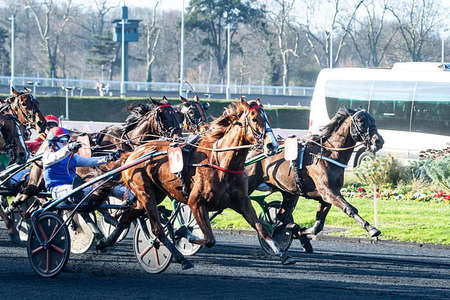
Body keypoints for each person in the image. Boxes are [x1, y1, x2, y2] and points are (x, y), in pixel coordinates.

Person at [43, 127, 120, 200]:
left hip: (74, 188)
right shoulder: (48, 156)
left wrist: (108, 158)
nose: (66, 142)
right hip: (58, 190)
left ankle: (129, 199)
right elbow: (57, 156)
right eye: (63, 140)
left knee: (103, 187)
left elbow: (90, 161)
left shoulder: (72, 156)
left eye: (67, 140)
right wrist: (68, 148)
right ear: (53, 142)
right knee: (76, 191)